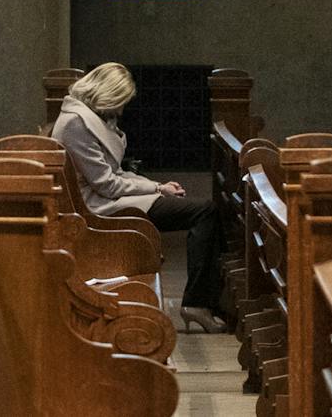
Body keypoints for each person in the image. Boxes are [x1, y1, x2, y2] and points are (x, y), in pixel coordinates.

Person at [51, 62, 226, 333]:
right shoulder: (76, 123)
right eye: (119, 102)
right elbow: (106, 184)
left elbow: (115, 173)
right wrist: (156, 189)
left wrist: (158, 186)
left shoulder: (84, 117)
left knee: (206, 210)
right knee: (204, 212)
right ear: (106, 94)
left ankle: (206, 300)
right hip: (99, 208)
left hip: (105, 198)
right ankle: (198, 303)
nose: (120, 110)